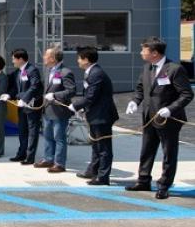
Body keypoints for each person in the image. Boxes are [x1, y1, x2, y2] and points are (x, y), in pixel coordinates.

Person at [124, 37, 193, 199]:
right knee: (146, 150)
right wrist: (135, 101)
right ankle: (143, 180)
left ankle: (164, 185)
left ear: (154, 53)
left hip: (168, 119)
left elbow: (187, 94)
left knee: (169, 153)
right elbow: (140, 88)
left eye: (144, 50)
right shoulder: (147, 67)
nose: (141, 53)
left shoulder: (174, 69)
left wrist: (170, 109)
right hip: (149, 117)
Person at [70, 46, 119, 186]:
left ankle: (103, 177)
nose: (78, 61)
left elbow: (91, 96)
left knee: (103, 148)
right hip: (95, 114)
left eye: (79, 58)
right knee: (96, 146)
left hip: (102, 116)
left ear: (86, 59)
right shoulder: (91, 72)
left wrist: (76, 105)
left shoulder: (96, 73)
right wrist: (83, 108)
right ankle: (93, 170)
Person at [36, 45, 75, 173]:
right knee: (47, 136)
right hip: (47, 109)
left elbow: (71, 91)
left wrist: (55, 95)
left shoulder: (65, 72)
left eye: (46, 55)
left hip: (59, 112)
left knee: (59, 138)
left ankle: (59, 164)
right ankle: (48, 159)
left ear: (53, 58)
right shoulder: (48, 70)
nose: (44, 57)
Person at [8, 48, 43, 165]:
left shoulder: (32, 70)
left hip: (32, 105)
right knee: (22, 130)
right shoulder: (18, 72)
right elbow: (16, 88)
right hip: (22, 106)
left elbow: (34, 86)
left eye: (14, 59)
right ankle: (21, 154)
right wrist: (9, 95)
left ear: (21, 59)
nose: (12, 61)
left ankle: (30, 157)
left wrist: (24, 99)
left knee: (32, 132)